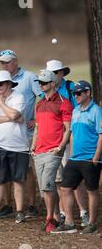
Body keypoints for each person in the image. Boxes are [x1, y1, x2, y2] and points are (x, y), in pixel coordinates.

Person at [0, 50, 41, 219]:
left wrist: (36, 119)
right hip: (6, 133)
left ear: (15, 61)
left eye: (7, 62)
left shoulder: (29, 77)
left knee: (26, 169)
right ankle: (7, 205)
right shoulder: (0, 80)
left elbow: (42, 97)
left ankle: (31, 205)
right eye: (2, 63)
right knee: (4, 168)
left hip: (26, 132)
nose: (4, 65)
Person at [52, 81, 102, 235]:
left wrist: (96, 158)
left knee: (91, 190)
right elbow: (72, 134)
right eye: (74, 93)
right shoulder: (76, 111)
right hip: (75, 158)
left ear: (88, 93)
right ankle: (69, 222)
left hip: (90, 158)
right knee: (66, 188)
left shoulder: (96, 111)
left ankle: (92, 223)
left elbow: (101, 135)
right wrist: (72, 154)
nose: (76, 96)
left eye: (79, 93)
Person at [45, 60, 89, 227]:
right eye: (50, 73)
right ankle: (63, 213)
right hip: (53, 141)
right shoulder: (46, 91)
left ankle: (83, 212)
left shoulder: (71, 88)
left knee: (75, 178)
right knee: (58, 180)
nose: (52, 76)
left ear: (62, 73)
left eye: (55, 72)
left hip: (70, 139)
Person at [0, 70, 29, 224]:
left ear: (9, 84)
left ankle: (20, 211)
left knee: (18, 180)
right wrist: (10, 117)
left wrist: (1, 105)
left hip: (19, 146)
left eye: (0, 84)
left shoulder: (18, 97)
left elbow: (16, 116)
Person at [30, 70, 72, 233]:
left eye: (44, 83)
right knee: (45, 189)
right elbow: (37, 128)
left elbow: (67, 128)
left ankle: (49, 218)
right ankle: (55, 217)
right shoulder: (39, 104)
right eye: (39, 83)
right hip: (39, 151)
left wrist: (61, 147)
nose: (41, 85)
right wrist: (33, 146)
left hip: (54, 151)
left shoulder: (64, 102)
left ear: (53, 84)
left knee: (48, 185)